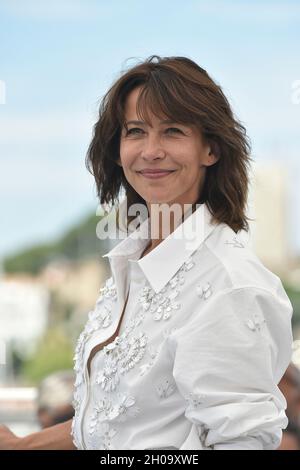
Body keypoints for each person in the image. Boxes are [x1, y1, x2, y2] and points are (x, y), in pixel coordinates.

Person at [0, 55, 293, 450]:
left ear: (211, 149)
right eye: (135, 131)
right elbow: (113, 428)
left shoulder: (230, 283)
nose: (151, 151)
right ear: (117, 149)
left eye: (172, 131)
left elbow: (243, 442)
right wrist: (22, 445)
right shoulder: (132, 262)